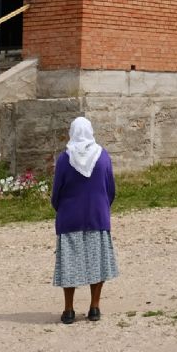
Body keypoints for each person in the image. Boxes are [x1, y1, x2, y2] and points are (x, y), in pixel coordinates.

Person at [50, 116, 119, 324]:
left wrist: (61, 208)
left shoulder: (65, 159)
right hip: (97, 215)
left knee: (69, 264)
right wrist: (103, 206)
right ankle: (94, 307)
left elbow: (57, 191)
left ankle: (69, 309)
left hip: (70, 217)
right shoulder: (103, 156)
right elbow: (110, 188)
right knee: (97, 263)